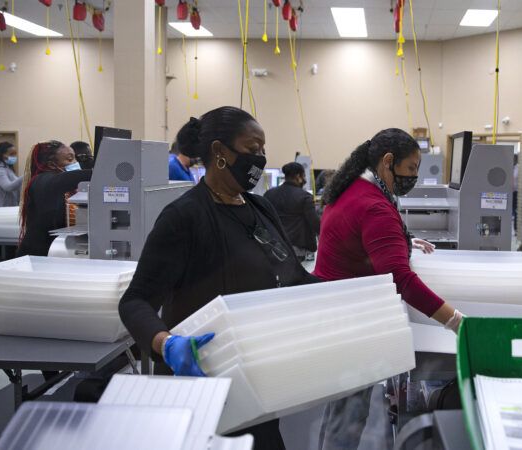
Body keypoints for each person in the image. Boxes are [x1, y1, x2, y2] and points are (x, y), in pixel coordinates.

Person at [119, 106, 318, 450]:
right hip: (203, 379)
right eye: (252, 150)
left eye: (263, 151)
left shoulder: (260, 209)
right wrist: (165, 343)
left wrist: (353, 290)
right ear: (219, 152)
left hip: (256, 378)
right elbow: (135, 300)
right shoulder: (184, 217)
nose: (260, 159)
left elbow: (294, 277)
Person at [314, 128, 464, 450]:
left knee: (339, 406)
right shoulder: (374, 205)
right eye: (410, 169)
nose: (414, 177)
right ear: (387, 161)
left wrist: (404, 241)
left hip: (333, 308)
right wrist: (455, 321)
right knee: (350, 413)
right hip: (350, 320)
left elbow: (359, 237)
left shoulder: (354, 187)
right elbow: (402, 280)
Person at [16, 141, 92, 257]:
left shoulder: (58, 184)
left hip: (51, 249)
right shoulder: (42, 180)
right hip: (35, 253)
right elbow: (66, 179)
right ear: (52, 165)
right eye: (70, 159)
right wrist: (99, 171)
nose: (75, 163)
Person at [264, 162, 320, 261]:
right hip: (296, 249)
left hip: (273, 246)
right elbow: (315, 223)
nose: (305, 179)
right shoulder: (305, 197)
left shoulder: (269, 194)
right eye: (304, 176)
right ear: (298, 176)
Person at [0, 142, 22, 208]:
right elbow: (8, 187)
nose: (14, 156)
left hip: (8, 207)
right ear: (3, 155)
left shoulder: (8, 169)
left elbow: (16, 185)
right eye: (11, 154)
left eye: (15, 154)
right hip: (0, 209)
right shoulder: (0, 170)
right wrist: (26, 176)